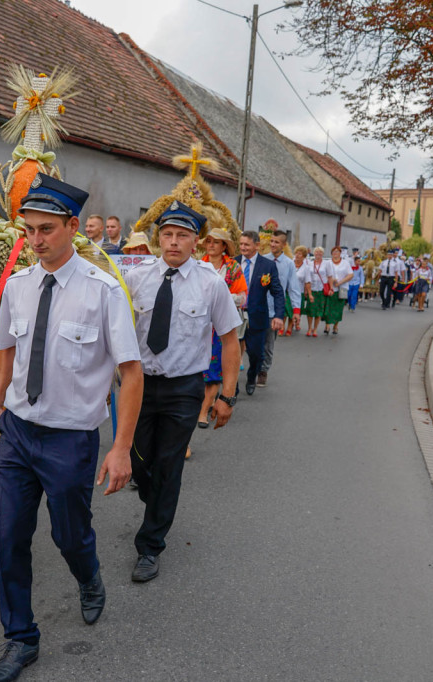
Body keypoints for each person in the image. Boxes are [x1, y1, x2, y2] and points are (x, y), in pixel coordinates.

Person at [0, 174, 143, 682]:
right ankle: (20, 638)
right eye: (29, 230)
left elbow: (131, 373)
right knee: (10, 537)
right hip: (19, 432)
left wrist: (120, 448)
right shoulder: (18, 286)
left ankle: (88, 575)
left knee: (69, 535)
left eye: (47, 229)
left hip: (71, 439)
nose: (35, 240)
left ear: (74, 227)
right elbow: (5, 351)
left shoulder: (102, 293)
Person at [125, 202, 241, 582]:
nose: (174, 242)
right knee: (139, 462)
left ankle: (150, 545)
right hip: (139, 386)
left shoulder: (211, 283)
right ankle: (152, 494)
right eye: (168, 234)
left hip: (183, 390)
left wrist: (226, 395)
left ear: (197, 241)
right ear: (159, 238)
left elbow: (229, 340)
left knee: (169, 465)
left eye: (183, 235)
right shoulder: (137, 277)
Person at [197, 228, 246, 429]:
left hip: (221, 326)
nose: (211, 245)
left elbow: (243, 297)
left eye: (216, 242)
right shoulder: (198, 265)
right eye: (208, 241)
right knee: (197, 372)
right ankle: (199, 405)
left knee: (214, 372)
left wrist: (221, 296)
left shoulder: (233, 268)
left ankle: (202, 413)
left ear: (224, 246)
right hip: (199, 325)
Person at [236, 231, 285, 394]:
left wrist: (278, 315)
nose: (243, 247)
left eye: (246, 244)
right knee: (232, 354)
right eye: (241, 244)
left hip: (257, 316)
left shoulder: (267, 266)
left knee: (256, 354)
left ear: (256, 245)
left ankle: (251, 377)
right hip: (235, 315)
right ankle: (232, 388)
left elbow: (277, 292)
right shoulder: (233, 263)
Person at [259, 230, 301, 385]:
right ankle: (255, 366)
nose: (272, 244)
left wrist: (296, 310)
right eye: (271, 241)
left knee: (268, 343)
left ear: (283, 245)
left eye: (276, 242)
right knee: (255, 341)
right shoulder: (263, 260)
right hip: (260, 307)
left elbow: (294, 288)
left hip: (275, 311)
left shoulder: (289, 264)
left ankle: (263, 371)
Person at [300, 246, 334, 337]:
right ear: (314, 253)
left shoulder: (326, 264)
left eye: (320, 252)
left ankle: (315, 329)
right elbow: (306, 278)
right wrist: (306, 290)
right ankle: (309, 328)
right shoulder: (310, 264)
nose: (318, 254)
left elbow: (330, 276)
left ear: (322, 254)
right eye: (316, 252)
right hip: (312, 289)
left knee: (319, 310)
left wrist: (331, 288)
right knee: (310, 310)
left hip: (321, 290)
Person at [323, 246, 353, 334]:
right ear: (331, 253)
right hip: (330, 288)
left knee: (338, 308)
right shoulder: (327, 263)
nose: (335, 253)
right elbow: (323, 274)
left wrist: (340, 282)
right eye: (334, 252)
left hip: (342, 288)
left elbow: (350, 275)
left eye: (337, 251)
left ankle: (336, 326)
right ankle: (327, 325)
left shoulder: (345, 263)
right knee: (328, 306)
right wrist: (332, 280)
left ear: (340, 253)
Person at [293, 246, 310, 330]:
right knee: (289, 308)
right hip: (290, 290)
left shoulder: (306, 267)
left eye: (299, 254)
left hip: (300, 291)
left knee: (298, 308)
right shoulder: (290, 263)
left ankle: (297, 323)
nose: (297, 255)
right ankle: (290, 323)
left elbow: (307, 281)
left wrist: (308, 292)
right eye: (296, 253)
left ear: (303, 256)